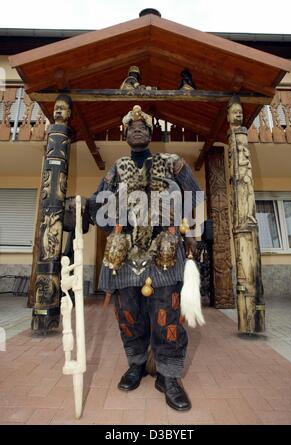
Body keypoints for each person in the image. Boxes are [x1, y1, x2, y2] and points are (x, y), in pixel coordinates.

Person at [89, 105, 203, 411]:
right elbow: (98, 207)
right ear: (125, 134)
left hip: (164, 255)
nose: (137, 128)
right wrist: (91, 213)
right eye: (132, 126)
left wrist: (182, 171)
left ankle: (169, 376)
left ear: (151, 134)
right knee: (129, 318)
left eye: (143, 126)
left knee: (168, 320)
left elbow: (194, 194)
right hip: (124, 258)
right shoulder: (115, 169)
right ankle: (136, 363)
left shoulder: (169, 162)